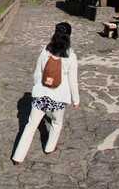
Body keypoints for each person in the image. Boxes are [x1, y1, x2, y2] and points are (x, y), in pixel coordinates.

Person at [12, 22, 80, 163]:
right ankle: (49, 148)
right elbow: (73, 81)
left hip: (41, 95)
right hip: (58, 97)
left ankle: (18, 156)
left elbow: (37, 73)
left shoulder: (45, 51)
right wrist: (76, 100)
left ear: (54, 34)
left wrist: (39, 86)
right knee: (56, 123)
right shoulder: (71, 56)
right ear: (69, 36)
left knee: (30, 126)